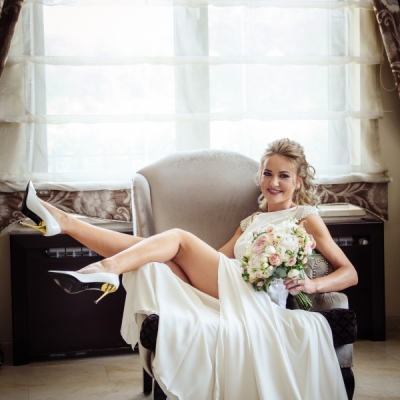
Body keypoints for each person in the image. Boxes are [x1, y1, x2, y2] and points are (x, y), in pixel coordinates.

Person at [20, 138, 357, 399]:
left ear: (298, 181)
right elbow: (218, 258)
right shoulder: (251, 220)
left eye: (283, 175)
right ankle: (65, 224)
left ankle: (99, 261)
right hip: (229, 286)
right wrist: (182, 258)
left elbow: (349, 273)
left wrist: (312, 286)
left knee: (177, 238)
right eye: (268, 173)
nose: (274, 182)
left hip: (258, 300)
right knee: (155, 254)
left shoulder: (304, 217)